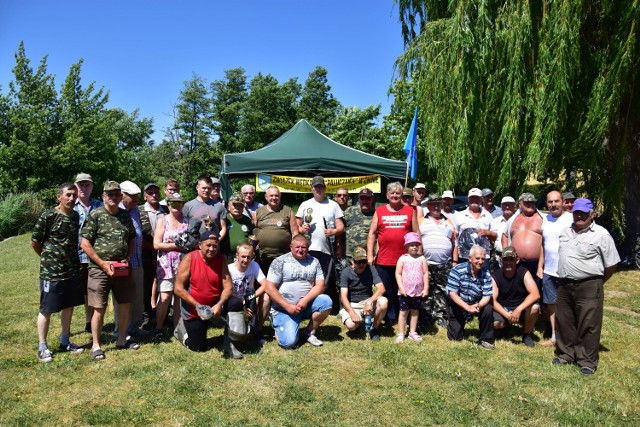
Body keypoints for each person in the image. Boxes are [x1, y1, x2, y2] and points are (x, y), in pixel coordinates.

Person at [554, 198, 620, 375]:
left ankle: (587, 360)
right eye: (576, 212)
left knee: (589, 323)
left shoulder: (601, 234)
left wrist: (596, 282)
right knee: (564, 320)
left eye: (583, 213)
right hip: (565, 283)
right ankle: (566, 354)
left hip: (589, 284)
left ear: (592, 215)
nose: (579, 216)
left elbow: (611, 264)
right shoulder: (565, 231)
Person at [80, 181, 138, 360]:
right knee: (99, 307)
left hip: (121, 269)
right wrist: (103, 264)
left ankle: (121, 339)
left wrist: (127, 257)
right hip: (99, 269)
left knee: (125, 304)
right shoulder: (96, 215)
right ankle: (96, 345)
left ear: (121, 197)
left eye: (116, 194)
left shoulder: (124, 215)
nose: (113, 197)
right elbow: (85, 243)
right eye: (109, 194)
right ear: (104, 196)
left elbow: (132, 238)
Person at [31, 182, 84, 362]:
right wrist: (48, 259)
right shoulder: (49, 215)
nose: (71, 198)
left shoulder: (75, 216)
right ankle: (42, 346)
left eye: (74, 195)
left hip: (71, 270)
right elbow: (35, 242)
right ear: (59, 197)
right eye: (68, 195)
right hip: (52, 273)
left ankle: (65, 341)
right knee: (46, 309)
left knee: (69, 306)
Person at [172, 231, 238, 357]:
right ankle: (181, 330)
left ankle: (231, 340)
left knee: (236, 303)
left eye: (215, 246)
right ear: (200, 245)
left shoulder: (221, 259)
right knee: (197, 347)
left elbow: (228, 287)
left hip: (214, 305)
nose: (212, 249)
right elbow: (178, 289)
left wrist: (219, 304)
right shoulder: (189, 258)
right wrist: (198, 307)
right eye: (208, 245)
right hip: (194, 309)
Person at [263, 234, 333, 349]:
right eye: (297, 247)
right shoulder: (280, 261)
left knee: (326, 301)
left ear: (308, 247)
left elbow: (320, 285)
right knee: (288, 343)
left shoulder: (314, 262)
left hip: (304, 306)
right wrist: (288, 306)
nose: (300, 250)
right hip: (284, 309)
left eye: (303, 247)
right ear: (291, 247)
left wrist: (305, 301)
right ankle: (277, 323)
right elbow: (269, 287)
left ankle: (308, 331)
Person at [367, 181, 418, 325]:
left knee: (404, 289)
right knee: (386, 290)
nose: (395, 195)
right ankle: (388, 318)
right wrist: (370, 254)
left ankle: (404, 316)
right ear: (387, 195)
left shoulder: (410, 211)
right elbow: (372, 234)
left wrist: (419, 254)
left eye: (398, 193)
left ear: (401, 195)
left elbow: (416, 233)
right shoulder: (380, 211)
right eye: (392, 193)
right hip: (384, 259)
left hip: (405, 259)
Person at [112, 181, 147, 339]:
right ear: (122, 196)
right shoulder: (115, 211)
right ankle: (120, 330)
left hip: (137, 261)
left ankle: (133, 326)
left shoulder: (135, 211)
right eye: (132, 197)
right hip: (123, 263)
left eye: (136, 197)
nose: (136, 200)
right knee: (122, 299)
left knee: (137, 297)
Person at [539, 190, 573, 347]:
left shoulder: (571, 219)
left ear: (563, 202)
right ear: (547, 203)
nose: (553, 205)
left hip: (567, 270)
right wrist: (541, 266)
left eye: (556, 201)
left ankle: (570, 336)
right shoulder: (545, 219)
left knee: (568, 304)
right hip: (549, 270)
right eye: (550, 202)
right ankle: (554, 336)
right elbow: (543, 245)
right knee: (551, 304)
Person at [152, 192, 188, 340]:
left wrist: (181, 247)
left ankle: (177, 329)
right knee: (165, 296)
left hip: (183, 264)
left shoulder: (187, 221)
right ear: (168, 205)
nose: (176, 206)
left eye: (179, 203)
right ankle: (159, 328)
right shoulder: (163, 220)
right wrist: (176, 245)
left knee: (179, 296)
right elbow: (156, 244)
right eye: (173, 203)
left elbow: (189, 244)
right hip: (165, 265)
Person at [419, 193, 457, 328]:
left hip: (445, 263)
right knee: (425, 289)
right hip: (426, 263)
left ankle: (441, 317)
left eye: (438, 204)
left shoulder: (449, 221)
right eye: (433, 204)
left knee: (442, 291)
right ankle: (426, 317)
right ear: (428, 206)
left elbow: (454, 243)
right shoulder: (421, 220)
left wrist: (454, 262)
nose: (436, 207)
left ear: (442, 205)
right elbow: (416, 241)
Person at [446, 245, 495, 349]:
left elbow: (487, 296)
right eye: (477, 258)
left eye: (483, 259)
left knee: (488, 308)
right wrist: (467, 307)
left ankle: (486, 339)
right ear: (470, 258)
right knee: (455, 338)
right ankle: (457, 325)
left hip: (476, 302)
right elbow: (452, 294)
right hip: (458, 302)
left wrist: (478, 305)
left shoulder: (486, 274)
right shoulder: (457, 270)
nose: (480, 261)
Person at [296, 176, 344, 280]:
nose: (318, 189)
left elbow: (341, 227)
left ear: (325, 188)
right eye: (316, 187)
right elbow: (295, 226)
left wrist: (334, 231)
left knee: (324, 280)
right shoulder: (305, 204)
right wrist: (302, 229)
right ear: (311, 188)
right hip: (307, 249)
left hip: (327, 250)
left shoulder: (333, 205)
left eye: (320, 187)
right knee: (307, 279)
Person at [491, 246, 540, 347]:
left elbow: (535, 294)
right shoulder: (495, 276)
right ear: (501, 260)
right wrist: (507, 315)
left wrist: (518, 310)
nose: (508, 262)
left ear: (517, 260)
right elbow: (493, 301)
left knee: (535, 308)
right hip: (504, 309)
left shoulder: (524, 272)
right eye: (506, 259)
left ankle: (526, 335)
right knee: (495, 323)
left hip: (521, 309)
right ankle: (505, 326)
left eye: (511, 259)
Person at [73, 173, 102, 333]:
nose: (84, 188)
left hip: (96, 255)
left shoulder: (99, 205)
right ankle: (87, 320)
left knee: (94, 289)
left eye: (87, 185)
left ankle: (92, 320)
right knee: (82, 290)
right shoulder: (71, 206)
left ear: (92, 187)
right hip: (77, 256)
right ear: (75, 186)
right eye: (81, 185)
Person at [338, 247, 388, 340]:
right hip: (352, 304)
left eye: (364, 261)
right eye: (358, 262)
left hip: (367, 301)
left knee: (383, 301)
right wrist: (352, 313)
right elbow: (343, 297)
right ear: (352, 262)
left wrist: (370, 302)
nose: (361, 264)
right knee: (351, 325)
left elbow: (381, 289)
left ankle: (374, 329)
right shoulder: (346, 272)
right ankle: (357, 323)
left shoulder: (371, 269)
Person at [228, 243, 270, 344]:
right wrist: (242, 305)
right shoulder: (229, 269)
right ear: (236, 255)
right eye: (243, 256)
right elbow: (226, 292)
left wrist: (251, 297)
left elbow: (265, 284)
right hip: (233, 302)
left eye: (248, 257)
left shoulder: (254, 265)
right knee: (240, 335)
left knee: (266, 297)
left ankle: (257, 329)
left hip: (249, 298)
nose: (246, 260)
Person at [502, 192, 544, 293]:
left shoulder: (543, 218)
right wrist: (506, 253)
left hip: (537, 263)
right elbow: (505, 235)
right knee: (519, 291)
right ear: (520, 204)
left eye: (532, 202)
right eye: (526, 203)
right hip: (517, 262)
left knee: (538, 292)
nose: (530, 205)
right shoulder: (513, 219)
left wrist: (541, 265)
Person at [253, 186, 297, 274]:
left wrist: (294, 248)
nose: (274, 198)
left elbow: (295, 231)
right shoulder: (258, 212)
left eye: (276, 195)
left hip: (283, 256)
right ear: (266, 197)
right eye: (271, 195)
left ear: (280, 197)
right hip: (263, 256)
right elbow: (255, 231)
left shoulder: (288, 211)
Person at [394, 232, 429, 343]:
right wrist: (401, 288)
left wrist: (426, 288)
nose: (414, 247)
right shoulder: (403, 259)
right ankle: (400, 333)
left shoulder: (422, 258)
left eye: (416, 245)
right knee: (403, 312)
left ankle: (412, 332)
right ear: (406, 247)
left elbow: (425, 273)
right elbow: (398, 273)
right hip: (405, 291)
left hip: (418, 291)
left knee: (415, 311)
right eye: (411, 245)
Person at [140, 183, 163, 329]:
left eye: (156, 192)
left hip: (164, 255)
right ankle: (146, 316)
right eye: (150, 192)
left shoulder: (166, 210)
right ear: (145, 196)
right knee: (146, 287)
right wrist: (154, 248)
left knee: (164, 286)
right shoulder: (138, 211)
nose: (154, 195)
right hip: (145, 255)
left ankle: (162, 314)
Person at [455, 188, 493, 264]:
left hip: (483, 258)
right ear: (468, 199)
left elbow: (494, 237)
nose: (474, 200)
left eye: (477, 197)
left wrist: (488, 233)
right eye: (472, 197)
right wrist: (455, 261)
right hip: (464, 258)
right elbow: (455, 240)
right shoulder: (459, 215)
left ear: (481, 199)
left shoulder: (488, 215)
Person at [183, 175, 227, 241]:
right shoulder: (188, 206)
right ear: (197, 187)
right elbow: (183, 227)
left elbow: (223, 228)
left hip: (212, 247)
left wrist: (217, 241)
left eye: (209, 188)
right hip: (193, 246)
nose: (206, 190)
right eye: (204, 188)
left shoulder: (219, 206)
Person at [342, 188, 376, 260]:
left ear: (372, 200)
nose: (365, 201)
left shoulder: (377, 214)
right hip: (349, 256)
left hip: (368, 257)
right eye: (362, 198)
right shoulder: (350, 211)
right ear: (359, 199)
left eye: (367, 198)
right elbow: (341, 228)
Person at [222, 194, 254, 262]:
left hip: (244, 257)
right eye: (234, 205)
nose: (237, 208)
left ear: (243, 207)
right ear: (228, 207)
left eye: (239, 205)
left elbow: (252, 237)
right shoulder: (224, 219)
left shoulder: (247, 220)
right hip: (227, 256)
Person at [489, 196, 516, 271]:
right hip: (498, 258)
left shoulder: (519, 220)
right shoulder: (495, 221)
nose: (507, 207)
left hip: (514, 258)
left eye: (510, 204)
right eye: (505, 205)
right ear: (501, 207)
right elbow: (492, 239)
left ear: (514, 206)